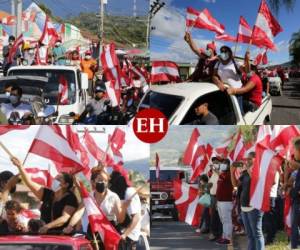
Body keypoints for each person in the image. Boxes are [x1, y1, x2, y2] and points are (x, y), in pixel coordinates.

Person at [10, 156, 78, 233]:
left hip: (62, 237)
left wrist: (47, 226)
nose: (55, 181)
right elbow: (29, 182)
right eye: (55, 178)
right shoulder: (47, 193)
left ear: (66, 184)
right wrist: (20, 167)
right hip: (44, 236)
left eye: (59, 179)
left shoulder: (71, 198)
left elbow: (64, 218)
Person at [232, 152, 265, 250]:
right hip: (244, 206)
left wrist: (248, 168)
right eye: (247, 159)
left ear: (256, 159)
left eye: (250, 159)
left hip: (254, 207)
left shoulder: (259, 170)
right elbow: (235, 184)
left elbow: (256, 181)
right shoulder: (245, 172)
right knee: (250, 236)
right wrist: (231, 171)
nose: (247, 161)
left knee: (257, 234)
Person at [110, 171, 142, 250]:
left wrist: (125, 234)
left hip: (129, 236)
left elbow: (136, 216)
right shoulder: (121, 193)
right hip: (121, 233)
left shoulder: (129, 193)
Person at [212, 46, 243, 112]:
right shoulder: (218, 63)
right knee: (227, 112)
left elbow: (246, 71)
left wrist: (247, 60)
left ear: (229, 53)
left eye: (225, 51)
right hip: (224, 91)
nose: (223, 53)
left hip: (236, 93)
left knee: (239, 112)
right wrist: (218, 82)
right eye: (221, 52)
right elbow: (214, 76)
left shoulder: (236, 63)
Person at [215, 158, 233, 245]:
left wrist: (217, 171)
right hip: (220, 201)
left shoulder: (229, 174)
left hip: (226, 201)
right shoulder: (222, 174)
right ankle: (224, 236)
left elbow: (223, 177)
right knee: (223, 220)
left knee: (227, 220)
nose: (223, 164)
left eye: (225, 163)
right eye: (222, 163)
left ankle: (227, 237)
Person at [287, 137, 300, 249]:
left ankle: (294, 245)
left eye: (294, 150)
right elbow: (291, 182)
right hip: (296, 200)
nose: (293, 153)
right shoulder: (296, 169)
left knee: (295, 225)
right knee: (295, 225)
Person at [208, 157, 222, 241]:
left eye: (216, 162)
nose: (214, 164)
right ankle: (214, 232)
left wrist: (215, 168)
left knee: (219, 216)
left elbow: (221, 174)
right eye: (213, 162)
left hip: (218, 196)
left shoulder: (221, 172)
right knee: (213, 215)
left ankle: (219, 233)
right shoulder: (213, 173)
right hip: (213, 196)